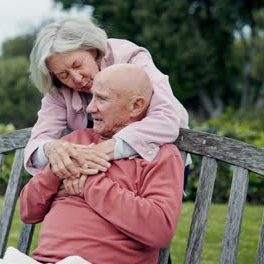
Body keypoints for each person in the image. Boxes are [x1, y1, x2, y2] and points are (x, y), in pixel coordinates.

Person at [20, 64, 185, 264]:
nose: (90, 108)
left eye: (102, 99)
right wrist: (57, 171)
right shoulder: (76, 141)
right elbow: (27, 212)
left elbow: (159, 230)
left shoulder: (160, 155)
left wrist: (89, 184)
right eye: (92, 97)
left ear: (135, 106)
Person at [24, 16, 189, 180]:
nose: (77, 79)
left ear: (93, 50)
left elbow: (167, 116)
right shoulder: (58, 88)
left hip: (157, 169)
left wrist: (103, 150)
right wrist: (49, 149)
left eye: (78, 65)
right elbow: (37, 143)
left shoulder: (130, 58)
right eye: (64, 75)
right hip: (103, 173)